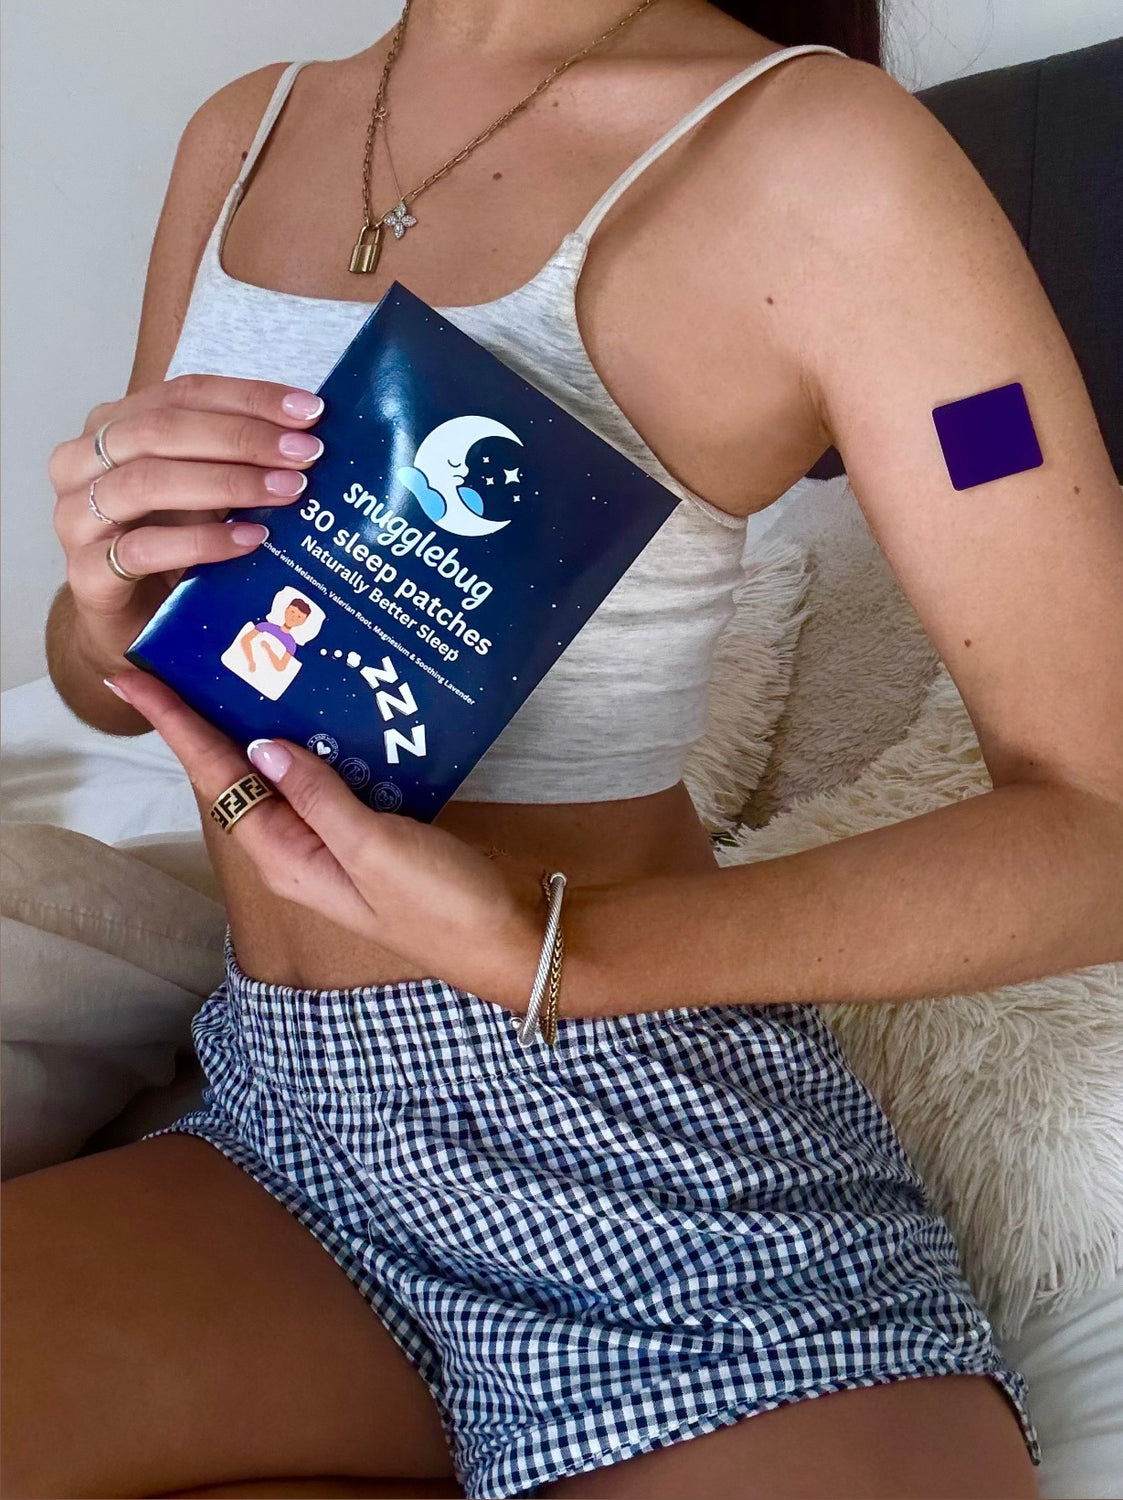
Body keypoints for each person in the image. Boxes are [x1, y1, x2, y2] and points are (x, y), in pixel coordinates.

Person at [5, 0, 1121, 1495]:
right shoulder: (244, 134)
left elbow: (1098, 820)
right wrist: (106, 603)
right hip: (289, 1121)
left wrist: (568, 951)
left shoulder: (824, 163)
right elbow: (107, 680)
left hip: (648, 1168)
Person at [240, 596, 313, 673]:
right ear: (286, 610)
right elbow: (245, 640)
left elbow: (280, 666)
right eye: (292, 612)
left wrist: (268, 649)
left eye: (299, 617)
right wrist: (251, 661)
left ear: (303, 621)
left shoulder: (291, 644)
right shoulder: (265, 626)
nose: (293, 618)